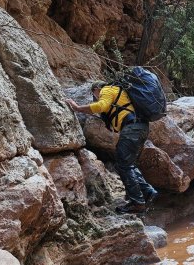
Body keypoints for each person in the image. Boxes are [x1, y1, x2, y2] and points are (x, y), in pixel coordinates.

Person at [66, 81, 157, 214]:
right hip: (140, 127)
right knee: (128, 163)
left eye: (95, 95)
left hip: (132, 128)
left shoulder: (107, 89)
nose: (97, 97)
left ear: (96, 89)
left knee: (123, 165)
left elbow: (102, 105)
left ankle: (137, 203)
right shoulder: (119, 92)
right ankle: (147, 192)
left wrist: (77, 108)